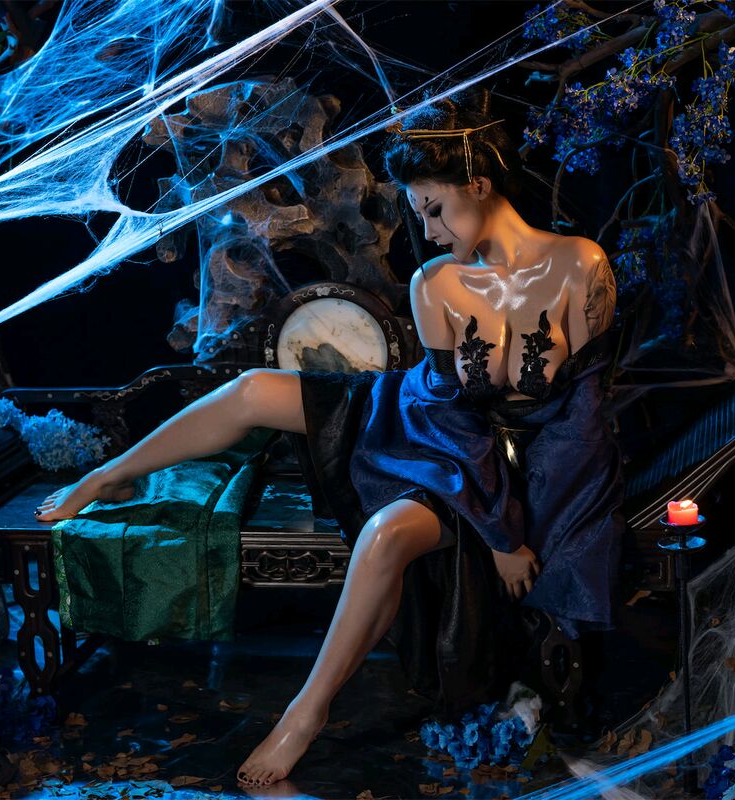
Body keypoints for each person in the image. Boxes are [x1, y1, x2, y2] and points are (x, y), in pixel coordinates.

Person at [34, 91, 623, 787]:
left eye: (434, 209)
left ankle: (302, 716)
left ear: (480, 185)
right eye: (417, 214)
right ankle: (110, 475)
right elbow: (450, 417)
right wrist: (495, 528)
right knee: (254, 390)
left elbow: (582, 421)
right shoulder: (436, 283)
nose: (428, 231)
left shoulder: (580, 266)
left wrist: (512, 532)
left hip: (533, 465)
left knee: (384, 534)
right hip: (441, 442)